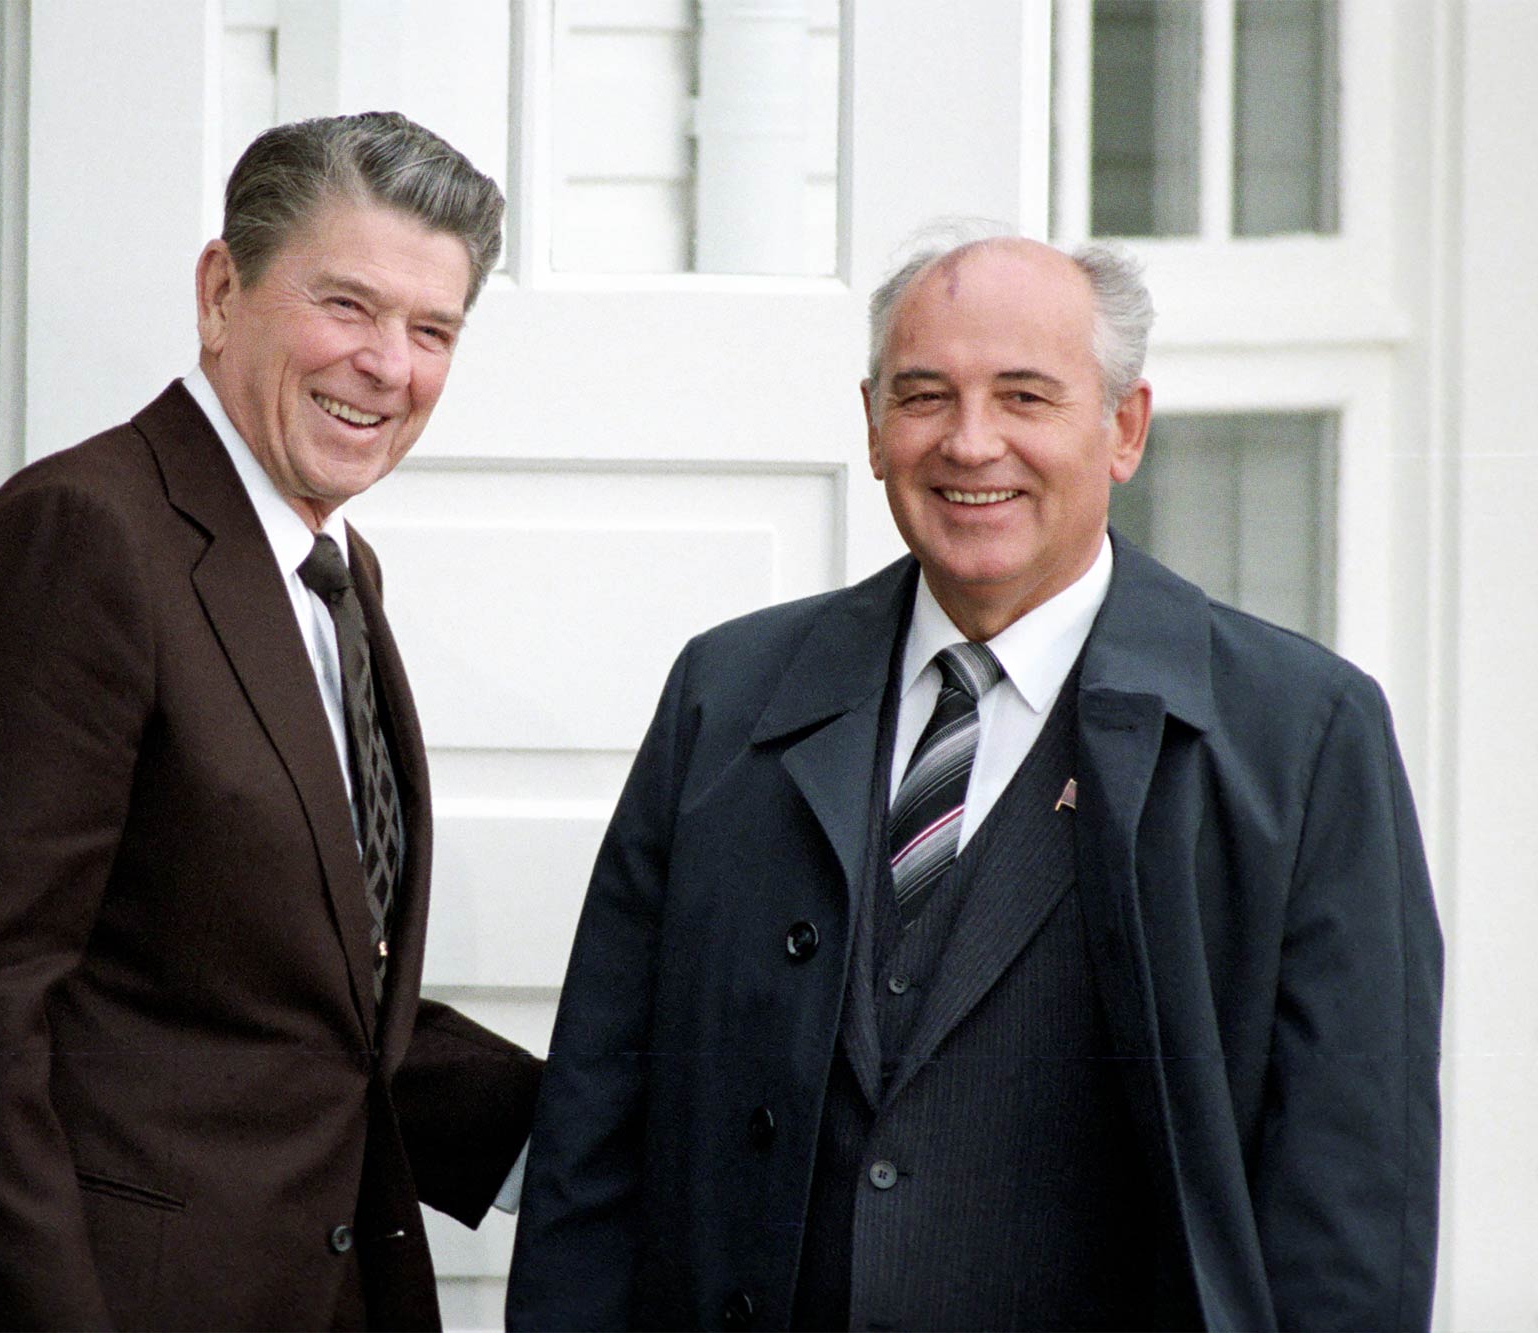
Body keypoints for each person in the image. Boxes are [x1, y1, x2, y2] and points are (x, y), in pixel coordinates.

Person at [505, 234, 1441, 1331]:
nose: (968, 441)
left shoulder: (1300, 734)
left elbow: (1351, 1202)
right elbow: (594, 1129)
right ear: (869, 424)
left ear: (1122, 428)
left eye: (1024, 396)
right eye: (923, 396)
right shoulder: (727, 696)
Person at [0, 113, 541, 1332]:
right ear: (222, 291)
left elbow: (298, 1005)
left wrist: (603, 1133)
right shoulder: (83, 536)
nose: (387, 363)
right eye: (347, 305)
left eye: (431, 330)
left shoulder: (332, 575)